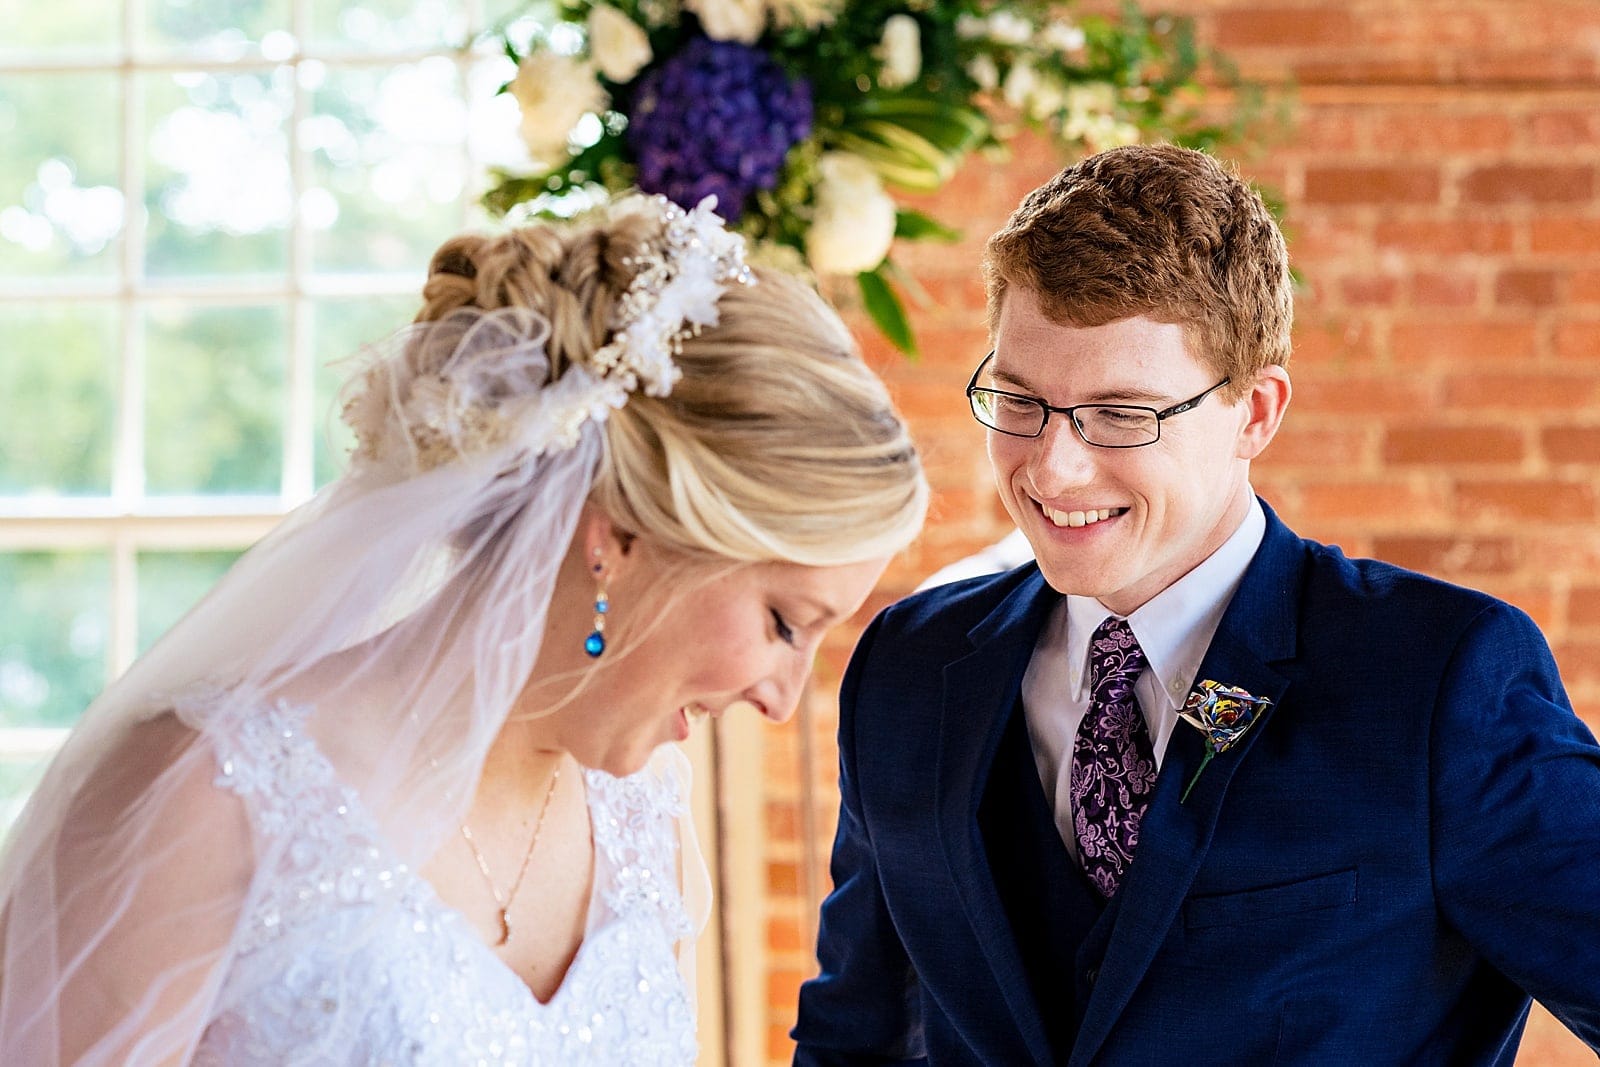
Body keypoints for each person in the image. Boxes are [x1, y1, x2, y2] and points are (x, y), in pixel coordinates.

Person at [0, 194, 928, 1065]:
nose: (781, 699)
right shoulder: (208, 793)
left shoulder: (644, 828)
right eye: (782, 622)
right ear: (621, 537)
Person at [793, 144, 1600, 1065]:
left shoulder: (1440, 680)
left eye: (1121, 414)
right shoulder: (908, 666)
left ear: (1256, 412)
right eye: (1019, 399)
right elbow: (852, 1041)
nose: (1054, 468)